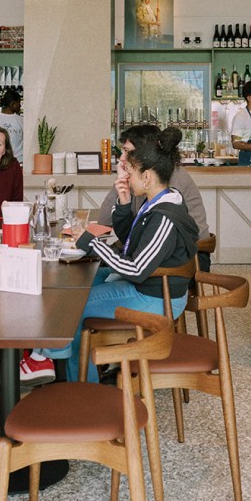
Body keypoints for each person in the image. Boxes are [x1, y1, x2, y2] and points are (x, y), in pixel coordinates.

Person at [68, 127, 199, 382]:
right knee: (82, 283)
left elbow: (137, 269)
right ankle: (62, 363)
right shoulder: (161, 201)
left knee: (73, 307)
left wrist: (91, 242)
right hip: (151, 288)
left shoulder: (163, 216)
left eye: (130, 172)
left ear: (147, 177)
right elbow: (131, 243)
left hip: (156, 297)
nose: (126, 176)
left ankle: (79, 383)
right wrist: (125, 201)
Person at [99, 124, 210, 270]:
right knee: (100, 263)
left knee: (102, 267)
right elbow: (105, 221)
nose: (121, 158)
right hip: (162, 251)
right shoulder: (142, 177)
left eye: (126, 152)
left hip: (187, 258)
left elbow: (145, 235)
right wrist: (122, 182)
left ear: (145, 152)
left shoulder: (164, 177)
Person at [0, 89, 24, 163]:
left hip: (7, 161)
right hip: (11, 161)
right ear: (13, 104)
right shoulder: (21, 121)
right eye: (19, 102)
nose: (20, 105)